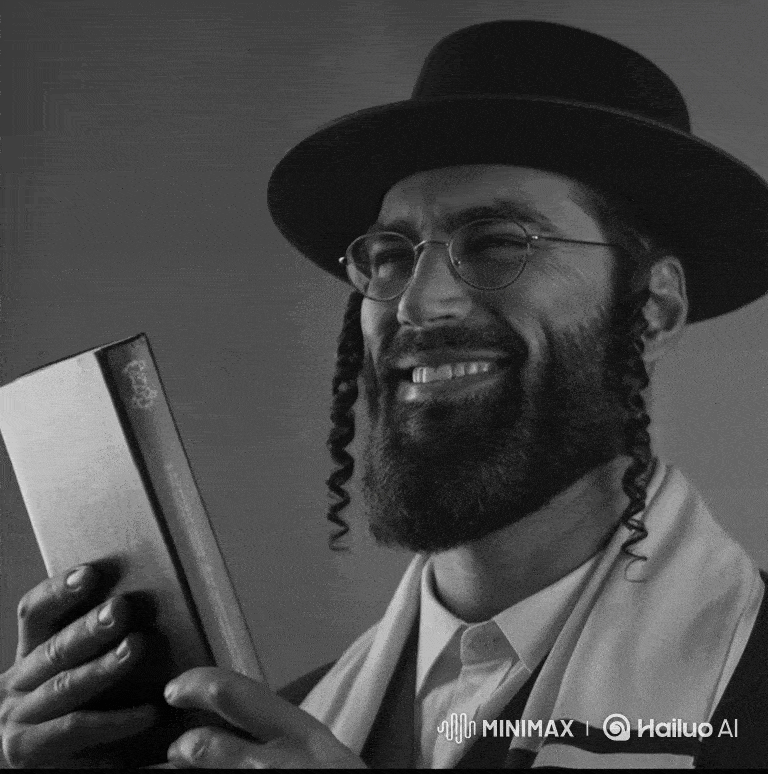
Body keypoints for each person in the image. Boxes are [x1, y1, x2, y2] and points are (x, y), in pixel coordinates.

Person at [2, 19, 768, 769]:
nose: (418, 304)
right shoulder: (284, 730)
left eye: (497, 243)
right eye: (390, 255)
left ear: (653, 310)